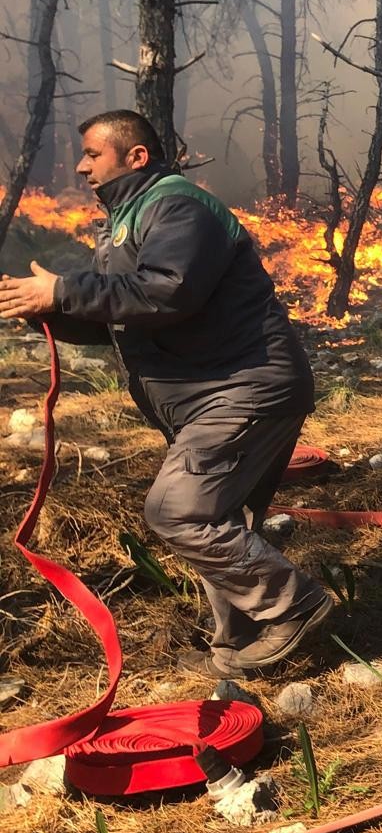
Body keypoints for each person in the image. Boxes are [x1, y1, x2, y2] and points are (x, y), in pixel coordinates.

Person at [0, 110, 329, 678]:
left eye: (92, 155)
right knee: (218, 517)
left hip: (245, 385)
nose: (80, 166)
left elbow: (166, 294)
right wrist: (44, 308)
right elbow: (120, 316)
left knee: (179, 510)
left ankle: (294, 605)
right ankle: (238, 651)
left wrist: (64, 289)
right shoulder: (128, 221)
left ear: (136, 157)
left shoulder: (177, 206)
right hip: (214, 391)